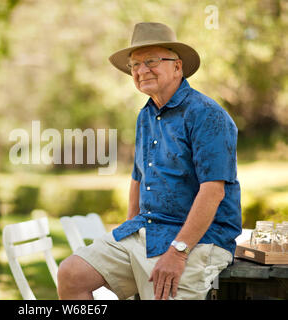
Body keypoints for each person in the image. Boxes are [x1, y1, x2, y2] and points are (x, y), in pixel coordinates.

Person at [57, 22, 242, 300]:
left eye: (151, 61)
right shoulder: (145, 115)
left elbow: (213, 190)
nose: (141, 70)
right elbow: (139, 179)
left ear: (177, 67)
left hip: (200, 240)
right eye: (135, 65)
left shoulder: (206, 114)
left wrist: (178, 252)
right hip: (147, 229)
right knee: (71, 274)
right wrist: (128, 236)